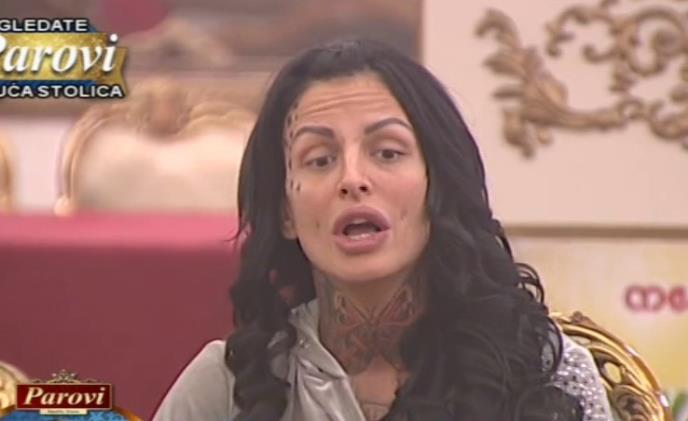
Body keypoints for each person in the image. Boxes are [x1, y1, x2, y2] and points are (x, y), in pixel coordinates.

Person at [153, 39, 613, 421]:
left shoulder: (542, 373)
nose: (352, 179)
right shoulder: (226, 385)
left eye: (388, 152)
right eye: (320, 160)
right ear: (285, 213)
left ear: (438, 188)